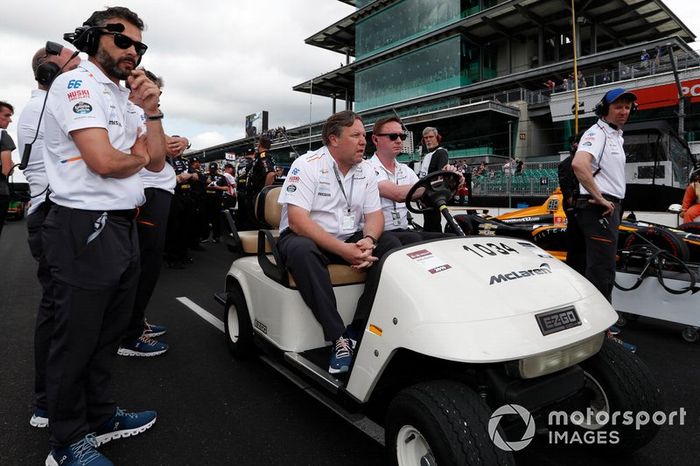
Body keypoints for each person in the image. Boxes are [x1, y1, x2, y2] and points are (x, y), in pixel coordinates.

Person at [41, 7, 165, 464]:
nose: (132, 50)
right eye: (122, 39)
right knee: (76, 339)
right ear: (95, 38)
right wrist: (134, 151)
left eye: (139, 45)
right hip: (82, 223)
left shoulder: (123, 96)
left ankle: (100, 416)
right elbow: (105, 162)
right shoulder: (77, 84)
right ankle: (67, 442)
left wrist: (152, 112)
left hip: (120, 222)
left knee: (107, 333)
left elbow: (154, 161)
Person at [276, 110, 401, 374]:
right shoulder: (307, 164)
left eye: (364, 136)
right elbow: (298, 221)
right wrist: (345, 251)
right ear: (333, 139)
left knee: (390, 243)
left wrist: (368, 239)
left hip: (347, 237)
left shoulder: (366, 169)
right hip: (305, 237)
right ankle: (338, 338)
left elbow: (374, 215)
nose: (363, 141)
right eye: (355, 135)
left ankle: (357, 329)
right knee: (301, 250)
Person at [16, 43, 80, 429]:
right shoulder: (46, 107)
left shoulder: (44, 106)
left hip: (51, 213)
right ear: (49, 74)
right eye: (74, 63)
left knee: (63, 313)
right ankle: (48, 403)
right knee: (59, 315)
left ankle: (54, 399)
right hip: (53, 216)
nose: (81, 69)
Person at [117, 68, 174, 358]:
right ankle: (129, 334)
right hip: (148, 193)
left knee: (147, 266)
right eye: (151, 89)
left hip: (155, 192)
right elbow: (153, 158)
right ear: (134, 87)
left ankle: (135, 323)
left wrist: (179, 142)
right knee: (144, 268)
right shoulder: (127, 111)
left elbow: (160, 149)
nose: (157, 96)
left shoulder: (142, 114)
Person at [572, 88, 637, 303]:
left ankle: (595, 320)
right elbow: (579, 164)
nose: (624, 111)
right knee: (602, 269)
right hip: (599, 208)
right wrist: (599, 198)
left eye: (627, 107)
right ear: (604, 109)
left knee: (598, 266)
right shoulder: (596, 133)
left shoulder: (615, 136)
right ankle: (603, 329)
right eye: (618, 107)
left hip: (608, 207)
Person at [368, 116, 448, 244]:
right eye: (393, 136)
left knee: (449, 239)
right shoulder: (367, 168)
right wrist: (439, 184)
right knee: (412, 239)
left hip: (403, 231)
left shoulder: (406, 170)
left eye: (402, 136)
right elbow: (397, 194)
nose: (399, 141)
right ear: (375, 139)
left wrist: (451, 182)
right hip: (379, 235)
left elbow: (423, 194)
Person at [164, 135, 195, 268]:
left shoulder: (185, 161)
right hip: (172, 196)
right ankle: (172, 257)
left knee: (186, 226)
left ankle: (183, 253)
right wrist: (178, 178)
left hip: (186, 196)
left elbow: (196, 174)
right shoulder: (164, 159)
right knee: (173, 227)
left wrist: (191, 175)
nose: (179, 148)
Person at [417, 126, 449, 232]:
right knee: (428, 222)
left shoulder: (441, 153)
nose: (428, 140)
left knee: (434, 223)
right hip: (425, 194)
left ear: (437, 138)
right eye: (426, 138)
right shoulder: (427, 156)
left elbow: (440, 175)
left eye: (431, 137)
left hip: (433, 194)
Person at [241, 136, 276, 228]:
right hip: (252, 194)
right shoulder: (261, 157)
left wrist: (264, 193)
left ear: (259, 145)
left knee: (257, 223)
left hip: (257, 194)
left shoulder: (263, 156)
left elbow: (271, 174)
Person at [0, 101, 16, 238]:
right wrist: (11, 166)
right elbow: (7, 169)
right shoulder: (2, 135)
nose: (10, 120)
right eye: (7, 115)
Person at [201, 162, 227, 242]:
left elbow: (226, 188)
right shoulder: (204, 176)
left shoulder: (222, 177)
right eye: (211, 169)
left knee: (217, 218)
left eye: (214, 169)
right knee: (204, 218)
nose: (212, 170)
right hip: (205, 199)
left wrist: (217, 187)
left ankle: (216, 236)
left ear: (216, 169)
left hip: (217, 200)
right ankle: (205, 237)